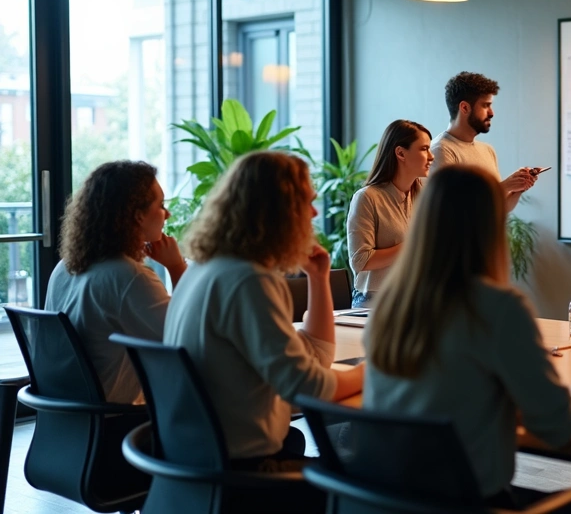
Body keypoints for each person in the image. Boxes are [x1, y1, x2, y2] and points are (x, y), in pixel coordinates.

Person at [364, 166, 571, 513]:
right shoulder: (499, 308)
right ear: (489, 227)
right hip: (463, 503)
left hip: (384, 497)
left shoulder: (390, 303)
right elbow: (558, 426)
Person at [166, 151, 364, 478]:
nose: (314, 213)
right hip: (246, 471)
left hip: (197, 461)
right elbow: (307, 387)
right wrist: (370, 374)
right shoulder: (248, 280)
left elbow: (315, 357)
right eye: (307, 202)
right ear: (279, 211)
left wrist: (317, 278)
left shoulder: (205, 268)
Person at [46, 160, 186, 404]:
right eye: (161, 205)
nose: (168, 214)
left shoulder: (64, 267)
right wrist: (176, 267)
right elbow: (187, 339)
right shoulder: (129, 277)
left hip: (72, 418)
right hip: (118, 422)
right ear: (138, 215)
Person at [346, 120, 433, 308]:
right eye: (424, 149)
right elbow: (360, 261)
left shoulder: (426, 194)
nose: (431, 156)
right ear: (400, 153)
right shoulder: (367, 198)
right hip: (374, 305)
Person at [430, 71, 538, 212]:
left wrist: (519, 188)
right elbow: (452, 208)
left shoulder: (487, 150)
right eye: (485, 105)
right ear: (464, 108)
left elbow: (499, 209)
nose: (492, 113)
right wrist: (504, 186)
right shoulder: (440, 150)